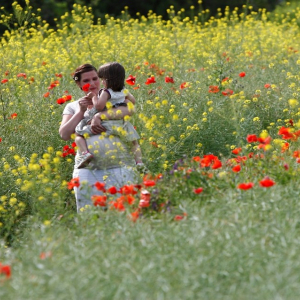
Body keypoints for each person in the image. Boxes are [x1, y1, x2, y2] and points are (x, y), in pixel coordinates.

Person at [59, 63, 138, 212]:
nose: (92, 84)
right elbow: (64, 134)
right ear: (79, 84)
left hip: (121, 167)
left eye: (95, 78)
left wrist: (98, 116)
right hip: (88, 172)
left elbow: (129, 110)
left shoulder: (116, 98)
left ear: (103, 79)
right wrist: (81, 112)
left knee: (126, 217)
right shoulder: (73, 106)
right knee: (90, 219)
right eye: (86, 81)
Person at [74, 62, 144, 171]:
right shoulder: (124, 90)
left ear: (107, 80)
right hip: (122, 124)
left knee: (79, 134)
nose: (102, 82)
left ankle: (85, 154)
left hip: (107, 124)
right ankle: (139, 162)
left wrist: (93, 97)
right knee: (134, 143)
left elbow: (99, 106)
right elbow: (133, 101)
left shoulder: (106, 92)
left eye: (102, 79)